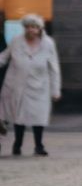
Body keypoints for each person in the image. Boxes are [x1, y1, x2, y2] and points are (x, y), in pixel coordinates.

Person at [0, 14, 61, 156]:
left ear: (40, 29)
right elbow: (4, 56)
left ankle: (39, 145)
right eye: (28, 27)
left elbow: (54, 68)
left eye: (34, 27)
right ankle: (17, 144)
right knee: (19, 116)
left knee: (38, 116)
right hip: (17, 84)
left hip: (39, 86)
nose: (31, 30)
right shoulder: (16, 41)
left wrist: (55, 90)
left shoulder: (48, 44)